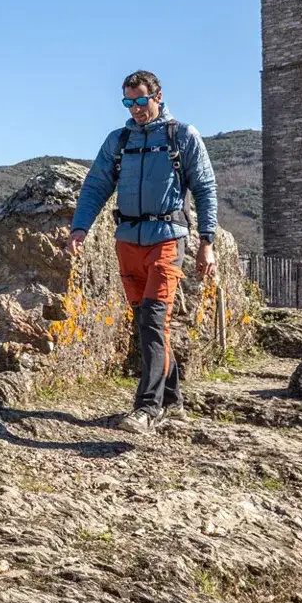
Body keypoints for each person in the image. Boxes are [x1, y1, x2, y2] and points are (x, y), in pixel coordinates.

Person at [67, 69, 219, 435]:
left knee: (153, 319)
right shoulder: (119, 141)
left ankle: (146, 409)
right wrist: (79, 228)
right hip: (127, 240)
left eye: (141, 100)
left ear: (158, 96)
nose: (135, 108)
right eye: (128, 102)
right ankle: (173, 400)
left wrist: (207, 242)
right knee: (147, 323)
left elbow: (205, 187)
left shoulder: (182, 136)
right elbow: (96, 186)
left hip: (168, 237)